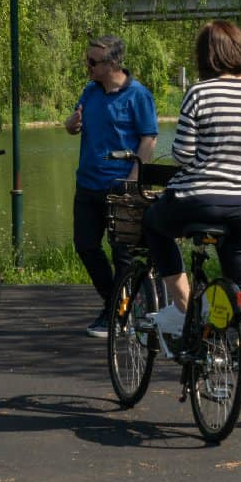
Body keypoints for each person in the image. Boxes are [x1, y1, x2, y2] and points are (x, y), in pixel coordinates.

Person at [143, 20, 241, 429]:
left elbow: (184, 153)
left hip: (195, 201)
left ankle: (181, 306)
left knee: (154, 224)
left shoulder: (200, 92)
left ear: (207, 57)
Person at [65, 35, 158, 338]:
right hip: (88, 183)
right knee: (86, 246)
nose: (87, 66)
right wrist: (70, 124)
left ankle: (117, 315)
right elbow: (75, 122)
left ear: (113, 63)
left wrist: (133, 180)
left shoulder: (138, 95)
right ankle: (116, 304)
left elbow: (148, 140)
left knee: (123, 255)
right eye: (86, 60)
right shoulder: (90, 91)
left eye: (93, 62)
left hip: (120, 186)